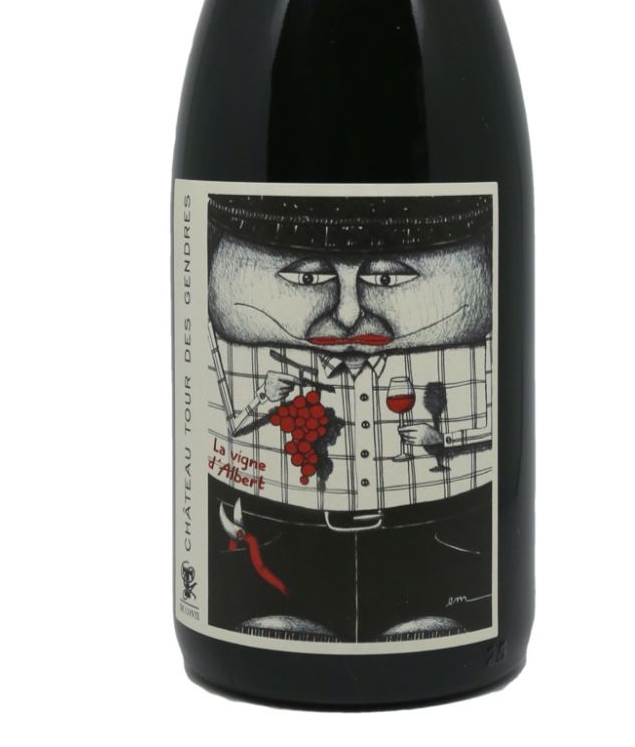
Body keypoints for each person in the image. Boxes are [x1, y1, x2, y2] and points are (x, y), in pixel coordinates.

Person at [204, 193, 494, 644]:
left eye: (386, 277)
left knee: (432, 634)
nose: (348, 315)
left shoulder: (456, 364)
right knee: (274, 633)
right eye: (308, 276)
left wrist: (446, 440)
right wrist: (264, 399)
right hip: (290, 538)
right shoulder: (266, 368)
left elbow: (501, 429)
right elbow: (234, 427)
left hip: (427, 534)